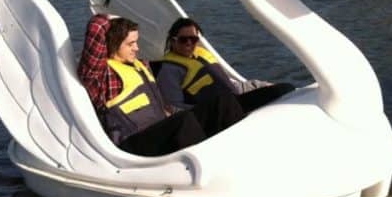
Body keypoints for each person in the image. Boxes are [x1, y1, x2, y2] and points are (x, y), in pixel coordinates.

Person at [77, 15, 245, 156]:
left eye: (136, 42)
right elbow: (96, 27)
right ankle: (210, 164)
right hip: (132, 142)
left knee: (223, 104)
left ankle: (239, 151)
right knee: (183, 122)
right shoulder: (101, 75)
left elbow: (166, 107)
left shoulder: (140, 66)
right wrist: (112, 18)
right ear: (113, 44)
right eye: (130, 44)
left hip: (159, 129)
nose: (137, 48)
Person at [155, 18, 294, 113]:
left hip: (234, 102)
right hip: (216, 112)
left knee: (284, 89)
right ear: (173, 41)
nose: (189, 43)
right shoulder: (169, 71)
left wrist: (260, 85)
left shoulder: (202, 55)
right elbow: (175, 107)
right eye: (184, 39)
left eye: (193, 39)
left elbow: (231, 84)